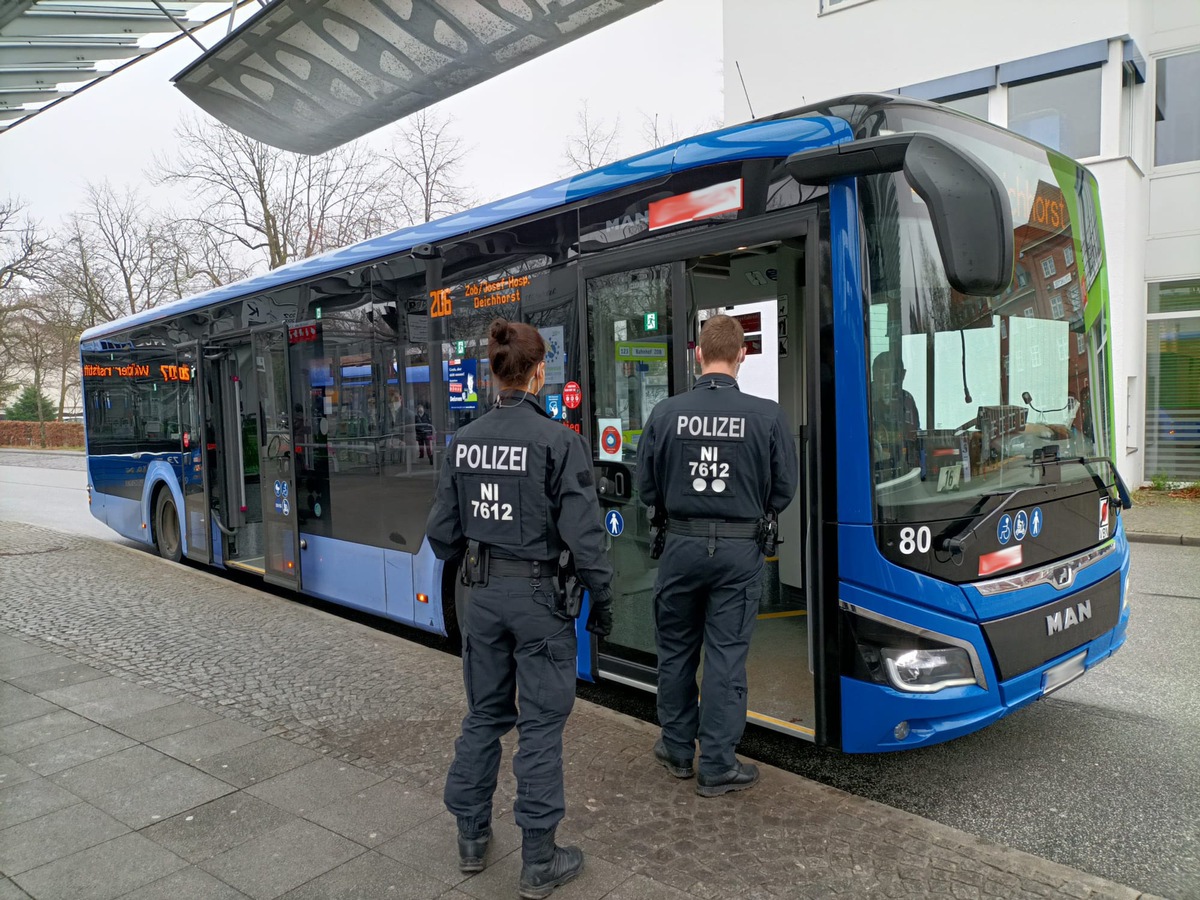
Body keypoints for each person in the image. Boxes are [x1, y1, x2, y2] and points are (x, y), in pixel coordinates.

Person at [425, 318, 614, 899]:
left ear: (493, 373)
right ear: (539, 373)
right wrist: (602, 602)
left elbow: (441, 537)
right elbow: (586, 540)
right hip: (541, 601)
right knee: (539, 725)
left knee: (484, 714)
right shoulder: (560, 442)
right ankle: (538, 859)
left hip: (480, 597)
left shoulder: (463, 442)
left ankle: (471, 840)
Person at [636, 314, 798, 797]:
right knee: (726, 658)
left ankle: (678, 750)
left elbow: (646, 487)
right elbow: (784, 489)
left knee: (676, 652)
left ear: (699, 355)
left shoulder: (665, 414)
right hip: (738, 549)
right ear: (742, 355)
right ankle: (718, 766)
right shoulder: (767, 416)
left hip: (680, 547)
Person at [870, 350, 921, 477]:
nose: (884, 381)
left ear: (902, 375)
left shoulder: (907, 399)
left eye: (889, 376)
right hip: (874, 467)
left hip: (905, 466)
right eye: (879, 375)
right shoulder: (865, 398)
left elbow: (914, 434)